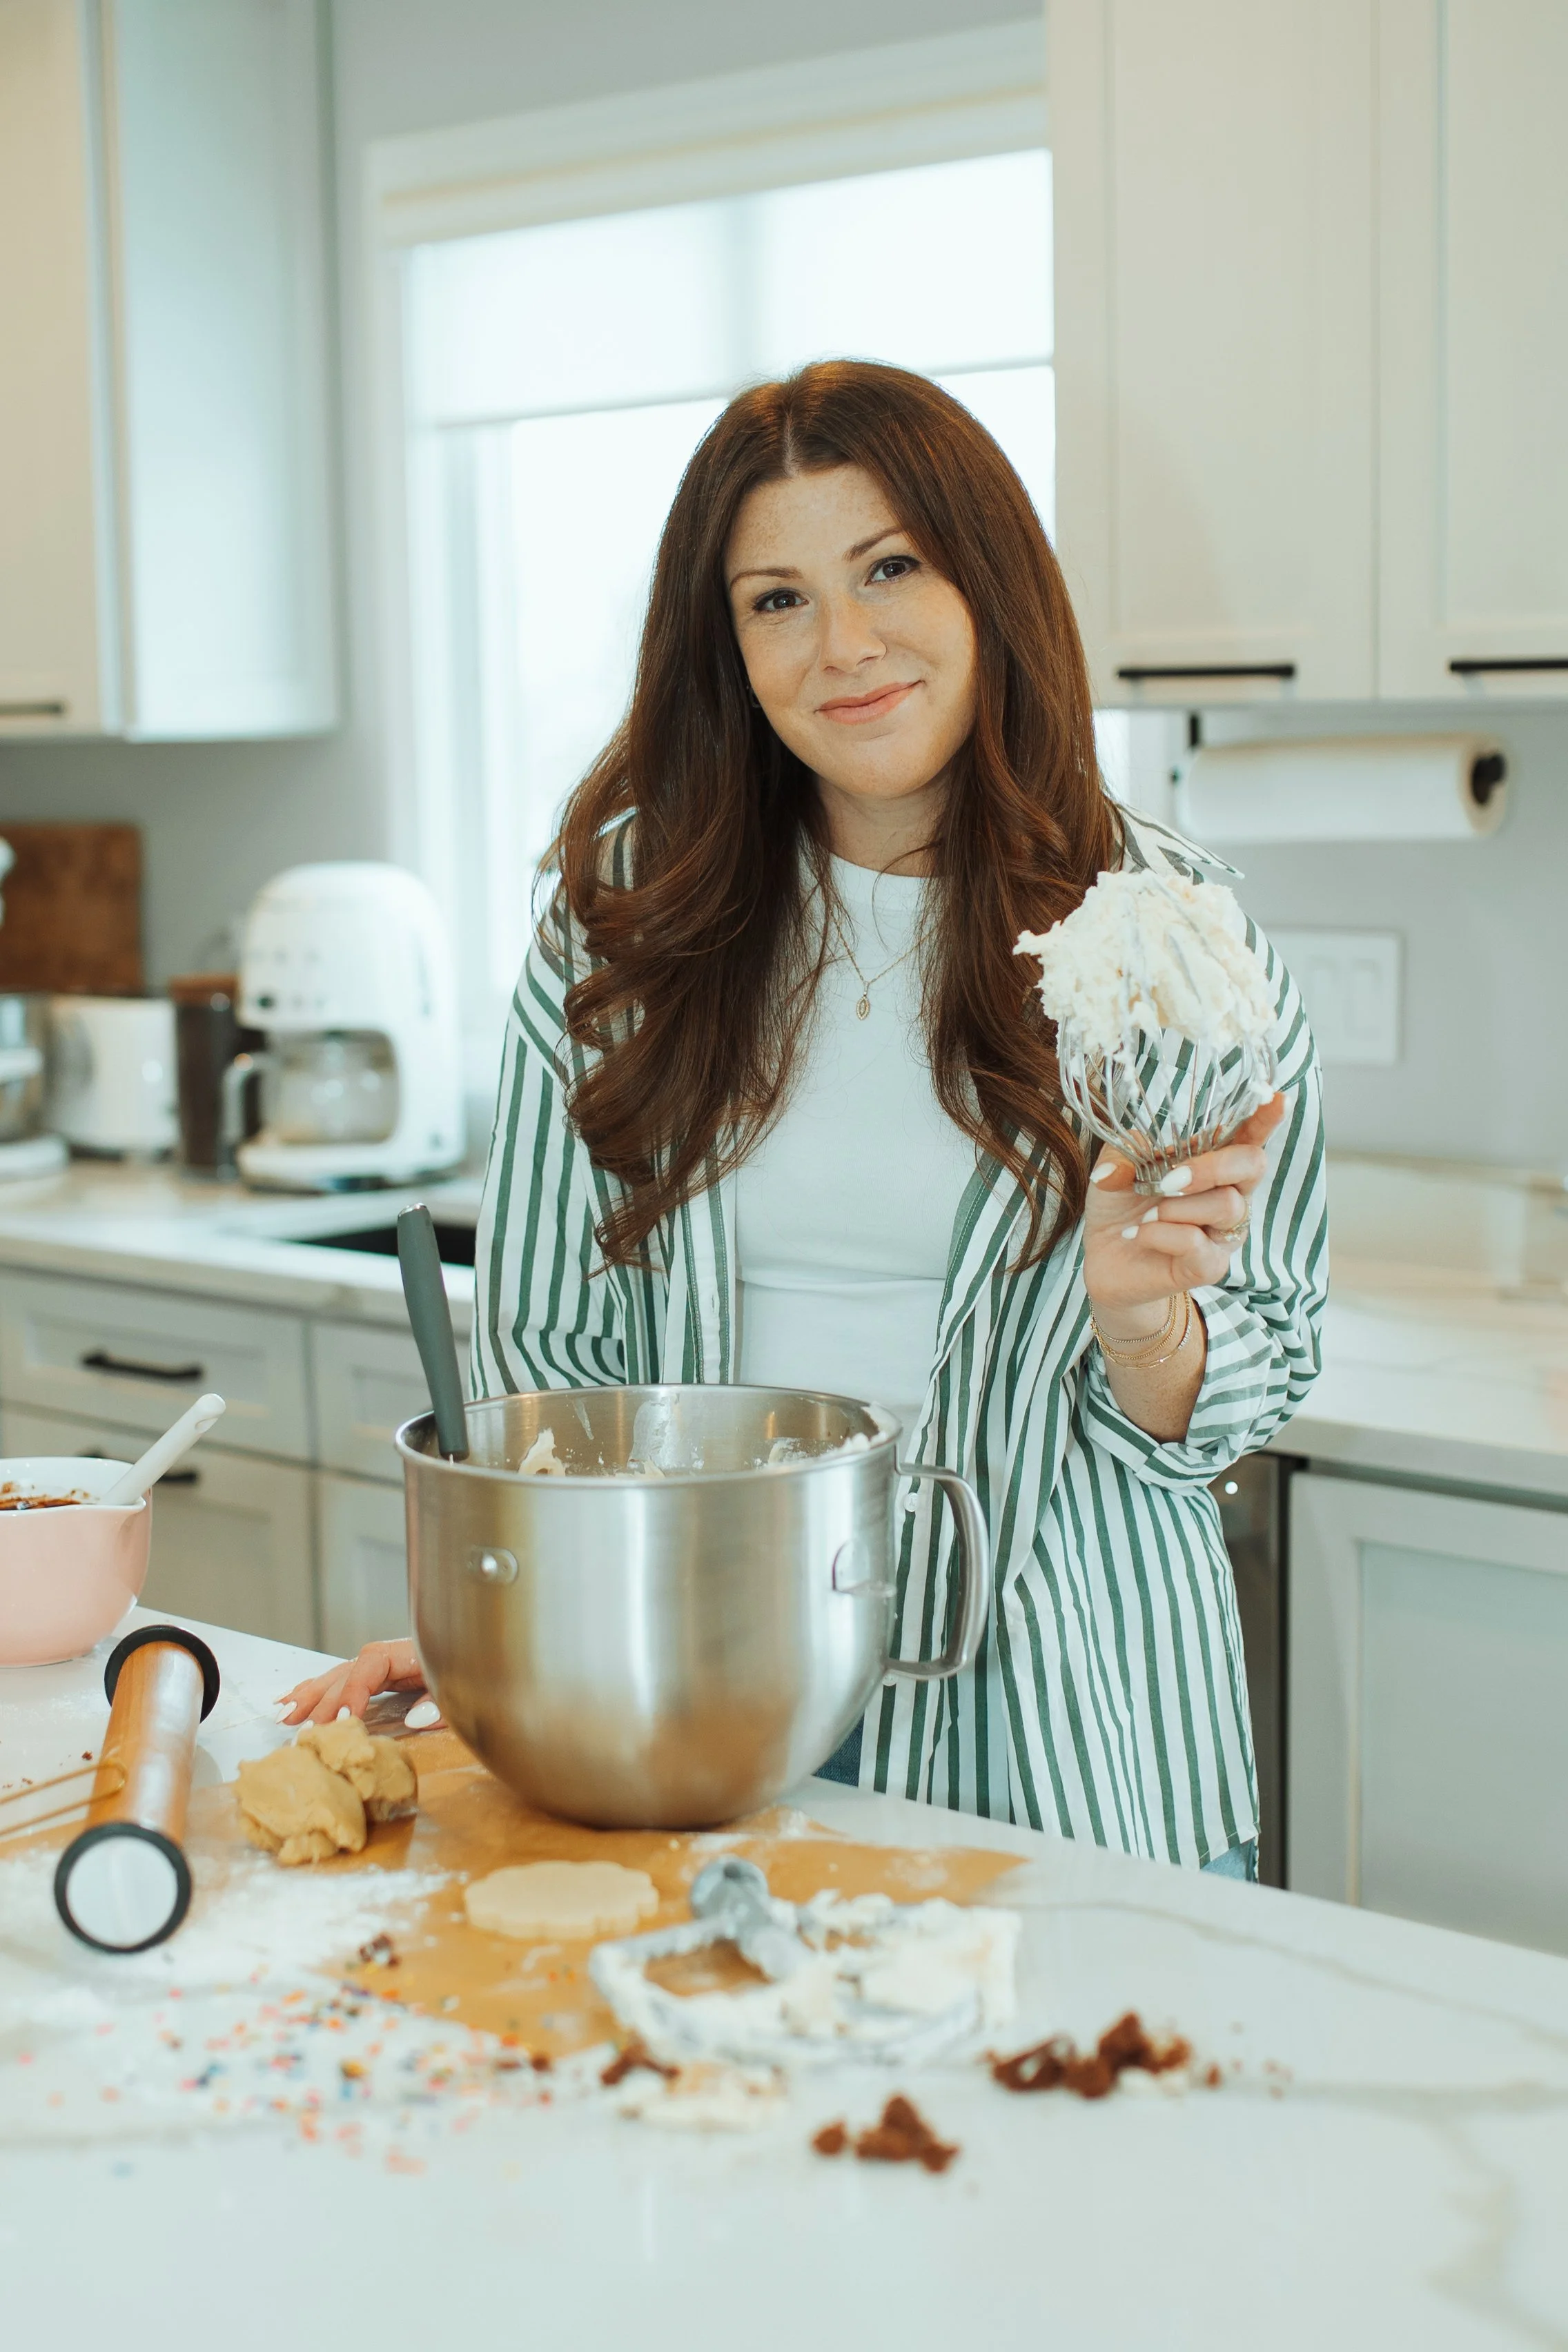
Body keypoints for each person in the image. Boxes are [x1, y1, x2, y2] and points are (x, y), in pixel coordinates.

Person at [284, 360, 1326, 1880]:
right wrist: (529, 1637)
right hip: (690, 1685)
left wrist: (1141, 1323)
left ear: (988, 582)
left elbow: (1260, 1363)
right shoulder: (626, 923)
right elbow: (549, 1354)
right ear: (726, 644)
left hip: (1061, 1717)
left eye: (888, 567)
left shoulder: (1163, 939)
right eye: (774, 599)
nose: (841, 646)